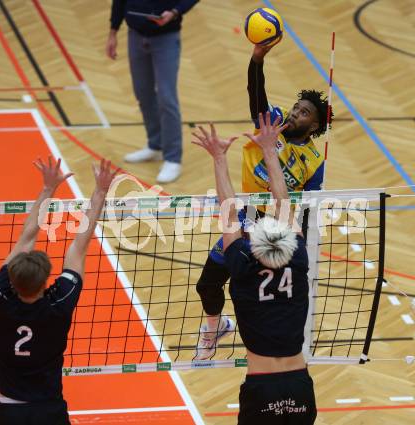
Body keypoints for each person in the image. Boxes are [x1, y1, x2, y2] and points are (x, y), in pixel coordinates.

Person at [194, 43, 333, 359]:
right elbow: (255, 95)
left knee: (255, 295)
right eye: (296, 108)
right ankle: (214, 329)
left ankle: (262, 342)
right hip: (246, 215)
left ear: (314, 127)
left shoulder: (314, 162)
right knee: (207, 285)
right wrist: (257, 60)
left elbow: (309, 206)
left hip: (276, 232)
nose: (295, 114)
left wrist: (304, 244)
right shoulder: (272, 123)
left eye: (304, 113)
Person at [192, 113, 316, 424]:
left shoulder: (243, 266)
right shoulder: (298, 259)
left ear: (254, 246)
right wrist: (270, 151)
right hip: (300, 386)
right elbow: (283, 201)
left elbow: (228, 207)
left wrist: (219, 157)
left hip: (263, 391)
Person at [0, 158, 119, 425]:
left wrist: (47, 189)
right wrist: (100, 193)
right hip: (50, 410)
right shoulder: (58, 303)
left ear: (13, 277)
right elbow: (78, 248)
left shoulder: (2, 294)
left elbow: (26, 238)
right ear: (45, 280)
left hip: (10, 412)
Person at [106, 0, 199, 183]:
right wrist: (113, 32)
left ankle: (173, 158)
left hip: (166, 38)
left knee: (167, 97)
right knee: (143, 93)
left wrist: (174, 12)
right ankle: (155, 145)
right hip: (135, 36)